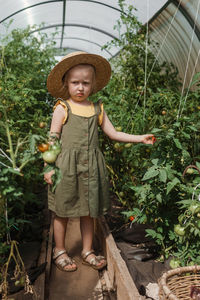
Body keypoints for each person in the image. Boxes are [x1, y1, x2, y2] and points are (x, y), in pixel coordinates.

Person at [44, 51, 154, 272]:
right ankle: (60, 250)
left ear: (93, 84)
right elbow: (52, 138)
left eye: (85, 83)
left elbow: (113, 133)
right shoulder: (61, 108)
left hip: (91, 167)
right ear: (66, 83)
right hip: (66, 166)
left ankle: (87, 251)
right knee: (62, 210)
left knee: (89, 210)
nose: (80, 87)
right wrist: (48, 166)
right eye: (75, 82)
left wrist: (139, 138)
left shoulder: (97, 108)